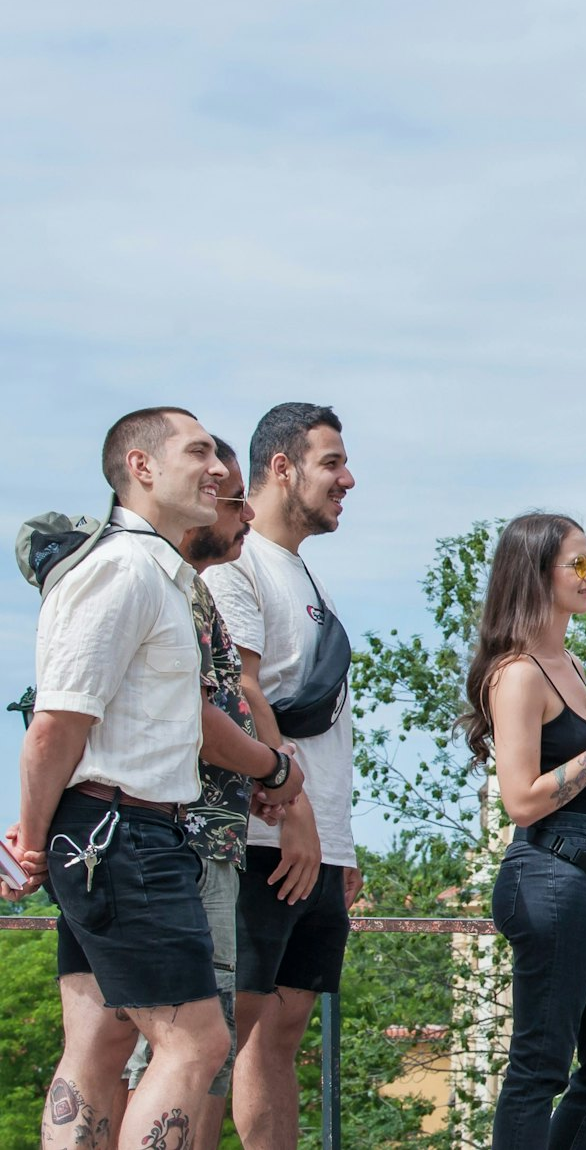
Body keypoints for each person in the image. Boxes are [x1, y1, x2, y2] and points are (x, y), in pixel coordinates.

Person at [3, 407, 233, 1149]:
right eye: (198, 452)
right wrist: (28, 842)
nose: (220, 468)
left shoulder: (154, 573)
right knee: (196, 1044)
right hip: (120, 835)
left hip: (114, 832)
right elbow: (56, 724)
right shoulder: (124, 569)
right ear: (141, 467)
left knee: (100, 1043)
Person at [119, 436, 305, 1149]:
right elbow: (188, 713)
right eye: (228, 501)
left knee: (191, 1049)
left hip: (199, 837)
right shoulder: (151, 580)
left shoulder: (187, 589)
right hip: (170, 837)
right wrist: (273, 769)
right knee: (180, 1048)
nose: (245, 516)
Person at [459, 513, 586, 1149]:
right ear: (538, 575)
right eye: (580, 564)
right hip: (547, 878)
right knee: (539, 1067)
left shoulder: (565, 660)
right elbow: (521, 801)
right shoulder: (518, 674)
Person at [203, 402, 360, 1150]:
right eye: (332, 463)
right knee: (221, 1030)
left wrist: (341, 843)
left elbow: (330, 722)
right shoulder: (240, 565)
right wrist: (294, 814)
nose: (347, 480)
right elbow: (243, 691)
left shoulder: (307, 577)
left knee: (284, 1031)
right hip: (265, 836)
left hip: (317, 843)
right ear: (281, 467)